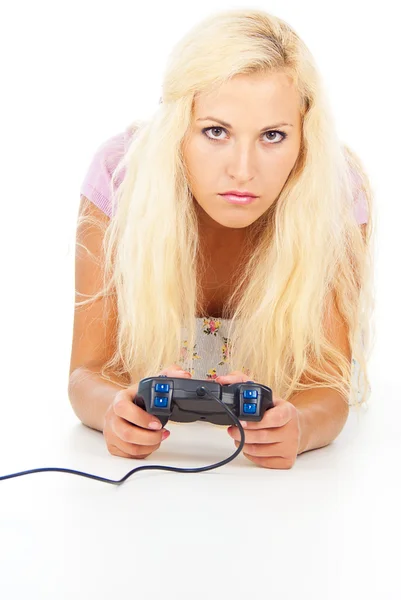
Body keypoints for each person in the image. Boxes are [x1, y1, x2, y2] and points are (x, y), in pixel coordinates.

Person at [68, 8, 375, 469]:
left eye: (273, 135)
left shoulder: (333, 193)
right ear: (178, 129)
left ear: (304, 137)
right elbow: (86, 373)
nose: (243, 170)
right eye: (216, 131)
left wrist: (301, 427)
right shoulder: (120, 177)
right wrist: (115, 410)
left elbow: (326, 386)